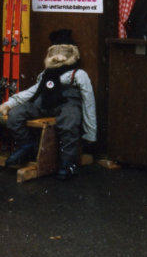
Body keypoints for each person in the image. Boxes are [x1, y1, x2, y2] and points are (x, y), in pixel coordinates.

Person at [0, 29, 97, 180]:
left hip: (68, 105)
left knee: (69, 121)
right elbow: (31, 92)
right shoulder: (45, 74)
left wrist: (90, 133)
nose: (58, 57)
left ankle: (67, 163)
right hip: (44, 103)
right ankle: (27, 146)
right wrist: (9, 104)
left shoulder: (78, 74)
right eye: (55, 52)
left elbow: (88, 102)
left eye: (63, 52)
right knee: (15, 115)